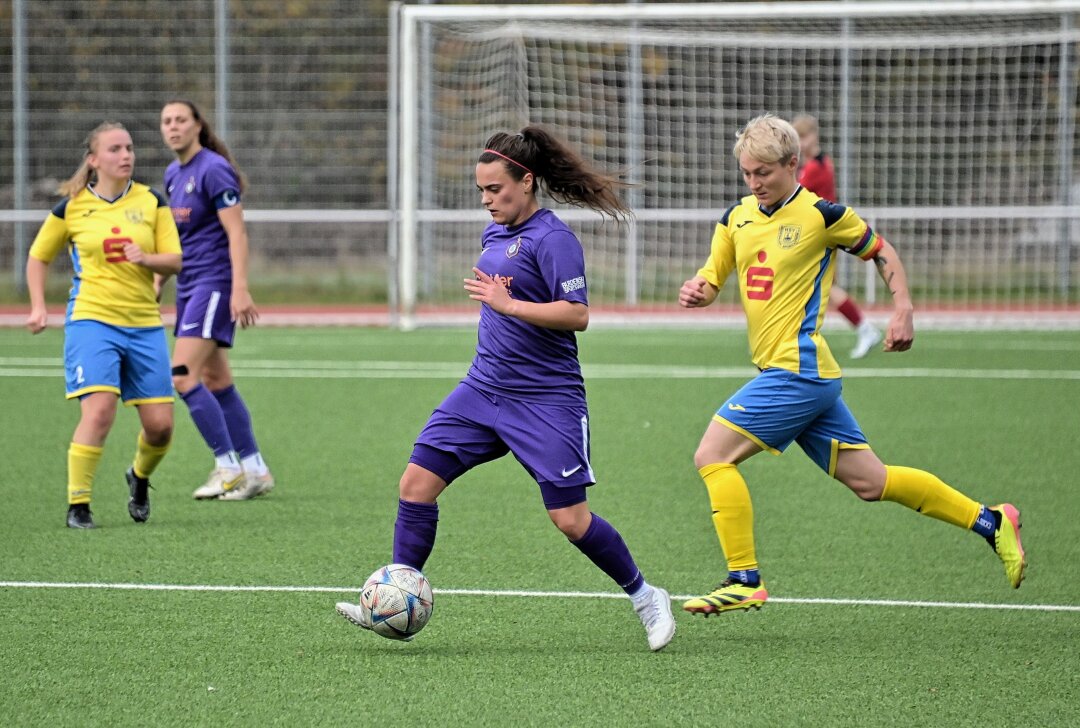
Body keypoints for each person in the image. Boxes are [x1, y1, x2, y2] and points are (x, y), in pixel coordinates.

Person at [336, 125, 676, 651]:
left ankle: (645, 595)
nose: (487, 200)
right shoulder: (494, 234)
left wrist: (508, 303)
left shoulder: (555, 239)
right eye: (481, 191)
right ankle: (391, 596)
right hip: (482, 389)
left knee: (570, 519)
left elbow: (577, 315)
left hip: (545, 400)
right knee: (415, 485)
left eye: (496, 189)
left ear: (527, 182)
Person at [677, 113, 1025, 615]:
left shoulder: (822, 214)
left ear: (793, 164)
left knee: (712, 455)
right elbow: (713, 277)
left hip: (796, 371)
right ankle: (991, 521)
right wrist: (699, 291)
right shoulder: (736, 218)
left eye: (764, 173)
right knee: (871, 482)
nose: (754, 183)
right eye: (747, 173)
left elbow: (883, 252)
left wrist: (902, 308)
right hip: (801, 377)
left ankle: (743, 577)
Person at [26, 121, 182, 529]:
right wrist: (39, 306)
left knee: (161, 428)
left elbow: (176, 259)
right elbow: (38, 256)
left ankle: (140, 477)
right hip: (91, 320)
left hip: (144, 324)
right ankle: (79, 506)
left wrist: (146, 259)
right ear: (94, 160)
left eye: (129, 147)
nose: (125, 155)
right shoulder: (72, 207)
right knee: (99, 411)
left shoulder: (152, 201)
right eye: (114, 149)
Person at [158, 99, 274, 501]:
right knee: (216, 379)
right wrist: (159, 278)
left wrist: (239, 287)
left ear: (197, 126)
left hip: (214, 283)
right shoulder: (173, 174)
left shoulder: (213, 168)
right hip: (189, 285)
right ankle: (255, 470)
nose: (173, 127)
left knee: (182, 374)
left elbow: (236, 233)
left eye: (180, 120)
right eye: (166, 121)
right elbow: (178, 238)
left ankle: (228, 468)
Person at [791, 113, 882, 359]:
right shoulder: (816, 165)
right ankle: (863, 329)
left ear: (814, 136)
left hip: (818, 235)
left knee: (823, 287)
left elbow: (795, 198)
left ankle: (865, 329)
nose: (800, 142)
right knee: (820, 288)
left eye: (803, 136)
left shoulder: (815, 168)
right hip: (817, 235)